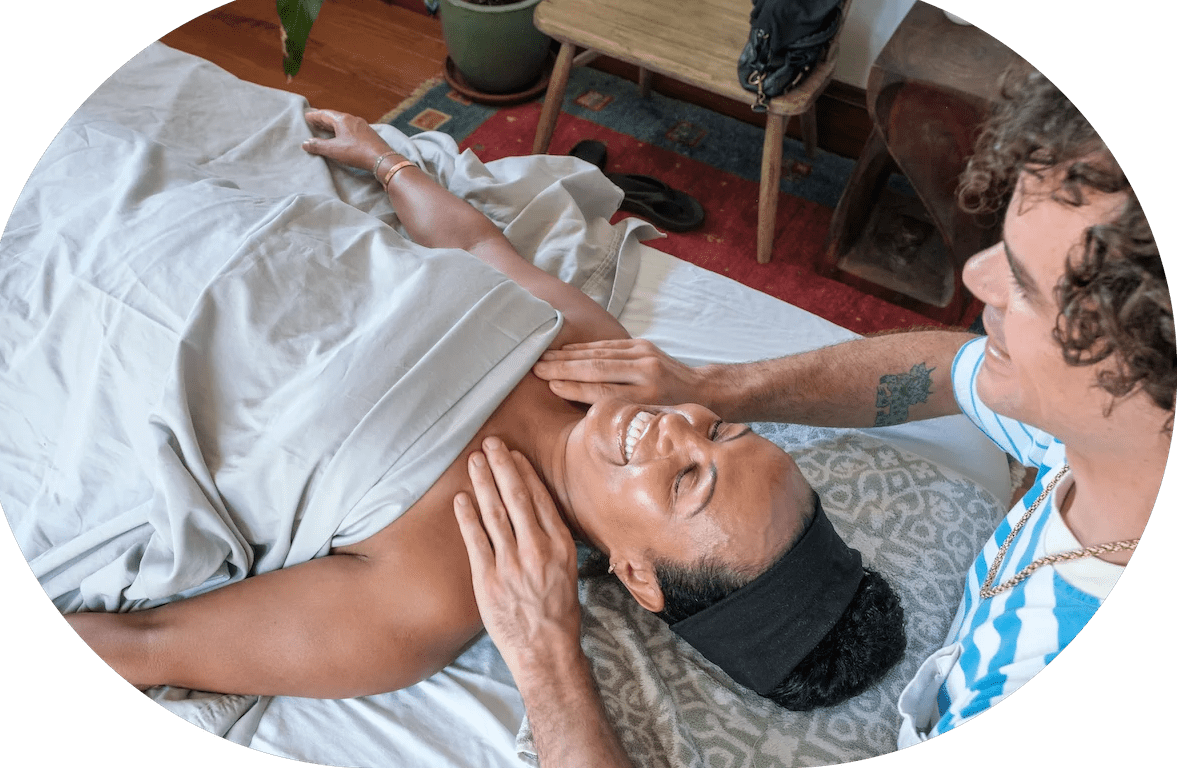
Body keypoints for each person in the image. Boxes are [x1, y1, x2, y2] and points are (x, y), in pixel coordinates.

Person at [62, 109, 904, 709]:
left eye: (686, 480)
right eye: (721, 428)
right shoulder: (615, 367)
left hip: (94, 308)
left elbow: (142, 646)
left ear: (640, 576)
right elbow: (475, 245)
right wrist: (387, 162)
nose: (678, 425)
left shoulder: (429, 595)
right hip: (215, 213)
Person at [526, 66, 1172, 749]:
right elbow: (944, 372)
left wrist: (544, 652)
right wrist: (718, 391)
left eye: (1025, 285)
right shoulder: (1089, 429)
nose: (976, 279)